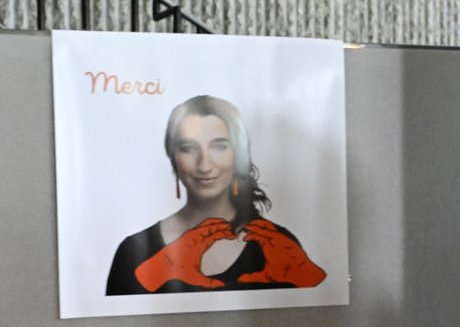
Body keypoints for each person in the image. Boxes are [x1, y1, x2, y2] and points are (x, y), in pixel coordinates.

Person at [105, 94, 326, 294]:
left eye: (219, 146)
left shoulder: (280, 247)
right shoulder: (133, 251)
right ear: (173, 156)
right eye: (188, 148)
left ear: (239, 154)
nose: (204, 165)